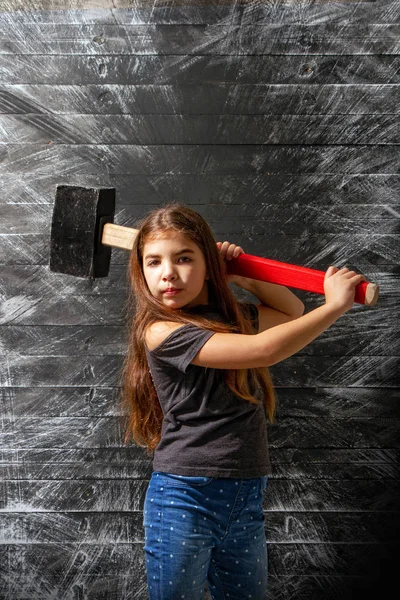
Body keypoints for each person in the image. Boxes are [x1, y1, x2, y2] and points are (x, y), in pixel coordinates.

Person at [120, 204, 365, 600]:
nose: (168, 272)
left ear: (206, 265)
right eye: (154, 262)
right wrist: (335, 306)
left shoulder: (229, 318)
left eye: (184, 258)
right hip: (186, 495)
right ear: (141, 271)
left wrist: (243, 274)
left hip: (245, 493)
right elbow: (264, 350)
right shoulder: (161, 331)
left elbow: (290, 311)